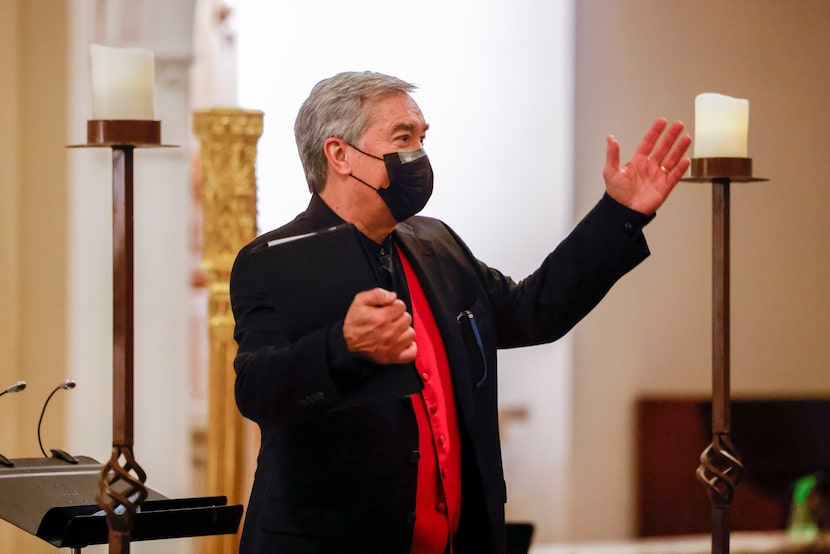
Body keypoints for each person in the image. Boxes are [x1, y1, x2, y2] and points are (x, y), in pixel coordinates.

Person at [230, 71, 691, 554]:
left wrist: (619, 214)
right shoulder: (274, 260)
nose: (419, 156)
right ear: (340, 155)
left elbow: (534, 311)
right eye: (402, 138)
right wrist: (342, 347)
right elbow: (257, 390)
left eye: (422, 139)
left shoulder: (436, 245)